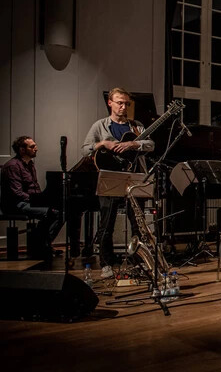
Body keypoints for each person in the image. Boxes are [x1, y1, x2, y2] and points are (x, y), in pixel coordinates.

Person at [82, 87, 155, 278]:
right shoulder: (100, 126)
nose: (123, 107)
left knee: (137, 222)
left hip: (133, 178)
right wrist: (102, 144)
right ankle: (106, 263)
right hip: (110, 178)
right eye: (119, 102)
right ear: (110, 103)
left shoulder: (136, 125)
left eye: (126, 103)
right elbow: (85, 150)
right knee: (107, 222)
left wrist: (134, 143)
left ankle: (137, 261)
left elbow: (151, 144)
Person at [0, 136, 66, 260]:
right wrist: (38, 200)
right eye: (32, 146)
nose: (36, 148)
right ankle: (42, 245)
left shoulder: (30, 164)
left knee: (61, 211)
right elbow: (17, 193)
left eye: (35, 146)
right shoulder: (12, 166)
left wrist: (43, 199)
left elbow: (35, 188)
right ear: (22, 150)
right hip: (16, 204)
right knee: (53, 213)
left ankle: (42, 243)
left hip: (28, 201)